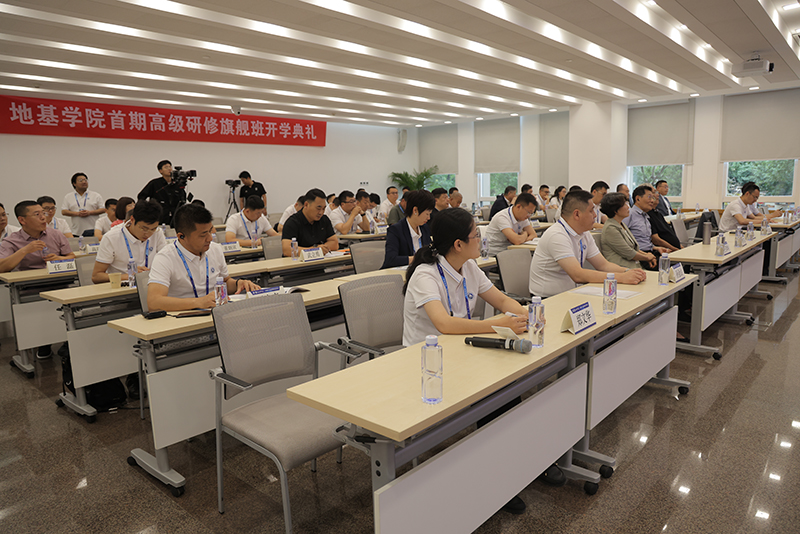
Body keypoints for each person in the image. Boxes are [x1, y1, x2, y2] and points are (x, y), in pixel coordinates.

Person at [402, 208, 541, 514]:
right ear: (458, 244)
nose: (481, 239)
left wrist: (526, 313)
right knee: (495, 392)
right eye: (476, 235)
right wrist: (497, 323)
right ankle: (496, 477)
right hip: (427, 360)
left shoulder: (469, 267)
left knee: (507, 387)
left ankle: (518, 463)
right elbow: (444, 324)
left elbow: (501, 299)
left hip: (461, 350)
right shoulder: (426, 274)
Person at [529, 191, 647, 297]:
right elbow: (578, 275)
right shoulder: (557, 235)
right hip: (548, 299)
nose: (595, 215)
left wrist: (628, 272)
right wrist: (621, 277)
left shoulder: (584, 233)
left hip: (572, 293)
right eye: (591, 211)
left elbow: (603, 265)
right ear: (577, 214)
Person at [147, 203, 260, 312]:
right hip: (182, 318)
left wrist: (238, 284)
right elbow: (154, 302)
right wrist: (199, 302)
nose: (210, 238)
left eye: (210, 231)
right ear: (182, 236)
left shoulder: (215, 249)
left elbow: (225, 281)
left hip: (215, 314)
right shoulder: (165, 258)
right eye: (203, 235)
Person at [0, 201, 75, 359]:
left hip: (61, 284)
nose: (43, 217)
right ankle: (42, 342)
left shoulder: (55, 234)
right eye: (37, 214)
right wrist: (24, 251)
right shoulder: (11, 241)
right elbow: (2, 267)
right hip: (31, 289)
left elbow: (71, 256)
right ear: (22, 220)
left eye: (43, 213)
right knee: (39, 317)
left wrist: (59, 259)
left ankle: (67, 340)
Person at [92, 199, 167, 284]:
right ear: (132, 219)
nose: (148, 234)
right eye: (144, 229)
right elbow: (96, 276)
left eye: (153, 229)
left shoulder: (157, 233)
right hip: (123, 287)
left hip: (151, 284)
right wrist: (130, 275)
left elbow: (166, 262)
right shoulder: (111, 237)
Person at [599, 193, 657, 269]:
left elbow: (634, 249)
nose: (628, 207)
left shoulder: (621, 224)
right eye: (624, 204)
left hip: (633, 267)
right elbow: (629, 253)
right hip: (621, 269)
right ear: (615, 210)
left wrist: (649, 256)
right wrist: (647, 257)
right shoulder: (610, 228)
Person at [622, 185, 671, 269]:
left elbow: (645, 241)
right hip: (639, 256)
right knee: (669, 268)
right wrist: (644, 256)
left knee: (676, 264)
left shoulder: (645, 216)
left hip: (651, 252)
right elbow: (624, 242)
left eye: (653, 198)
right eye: (649, 197)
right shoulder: (629, 214)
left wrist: (656, 248)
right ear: (638, 199)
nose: (652, 201)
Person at [381, 190, 434, 268]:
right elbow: (391, 259)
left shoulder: (424, 228)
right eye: (427, 214)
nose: (428, 218)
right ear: (415, 210)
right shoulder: (396, 230)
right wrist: (418, 259)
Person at [281, 188, 338, 256]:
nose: (321, 212)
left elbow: (335, 244)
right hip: (299, 261)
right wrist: (315, 250)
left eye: (323, 208)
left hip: (321, 260)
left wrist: (321, 249)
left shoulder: (324, 220)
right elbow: (287, 250)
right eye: (318, 208)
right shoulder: (293, 222)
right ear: (306, 205)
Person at [137, 160, 186, 226]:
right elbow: (141, 196)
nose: (169, 169)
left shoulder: (177, 183)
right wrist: (148, 209)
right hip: (159, 216)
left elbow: (183, 198)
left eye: (170, 167)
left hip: (175, 217)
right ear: (160, 171)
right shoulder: (154, 183)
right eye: (166, 167)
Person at [61, 172, 104, 237]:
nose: (84, 182)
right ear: (74, 183)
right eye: (81, 180)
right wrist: (77, 213)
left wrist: (90, 212)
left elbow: (103, 209)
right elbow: (64, 211)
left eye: (85, 180)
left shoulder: (96, 195)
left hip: (93, 230)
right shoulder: (68, 197)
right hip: (76, 231)